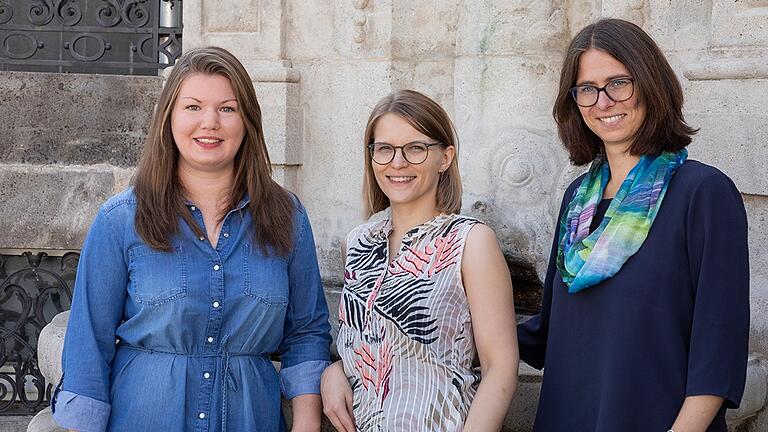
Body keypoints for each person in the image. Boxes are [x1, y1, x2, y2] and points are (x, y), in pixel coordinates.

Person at [51, 47, 332, 432]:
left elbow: (306, 333)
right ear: (169, 118)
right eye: (193, 107)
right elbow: (88, 348)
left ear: (247, 121)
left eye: (227, 109)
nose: (210, 122)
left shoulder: (287, 216)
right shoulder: (120, 220)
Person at [517, 18, 749, 432]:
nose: (603, 101)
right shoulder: (577, 203)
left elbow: (718, 351)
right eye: (587, 89)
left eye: (619, 83)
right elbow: (547, 333)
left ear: (650, 83)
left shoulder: (702, 194)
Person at [320, 90, 519, 432]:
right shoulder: (356, 243)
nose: (398, 163)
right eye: (384, 149)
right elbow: (371, 346)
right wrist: (333, 371)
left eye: (416, 148)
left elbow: (500, 365)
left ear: (444, 158)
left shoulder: (470, 241)